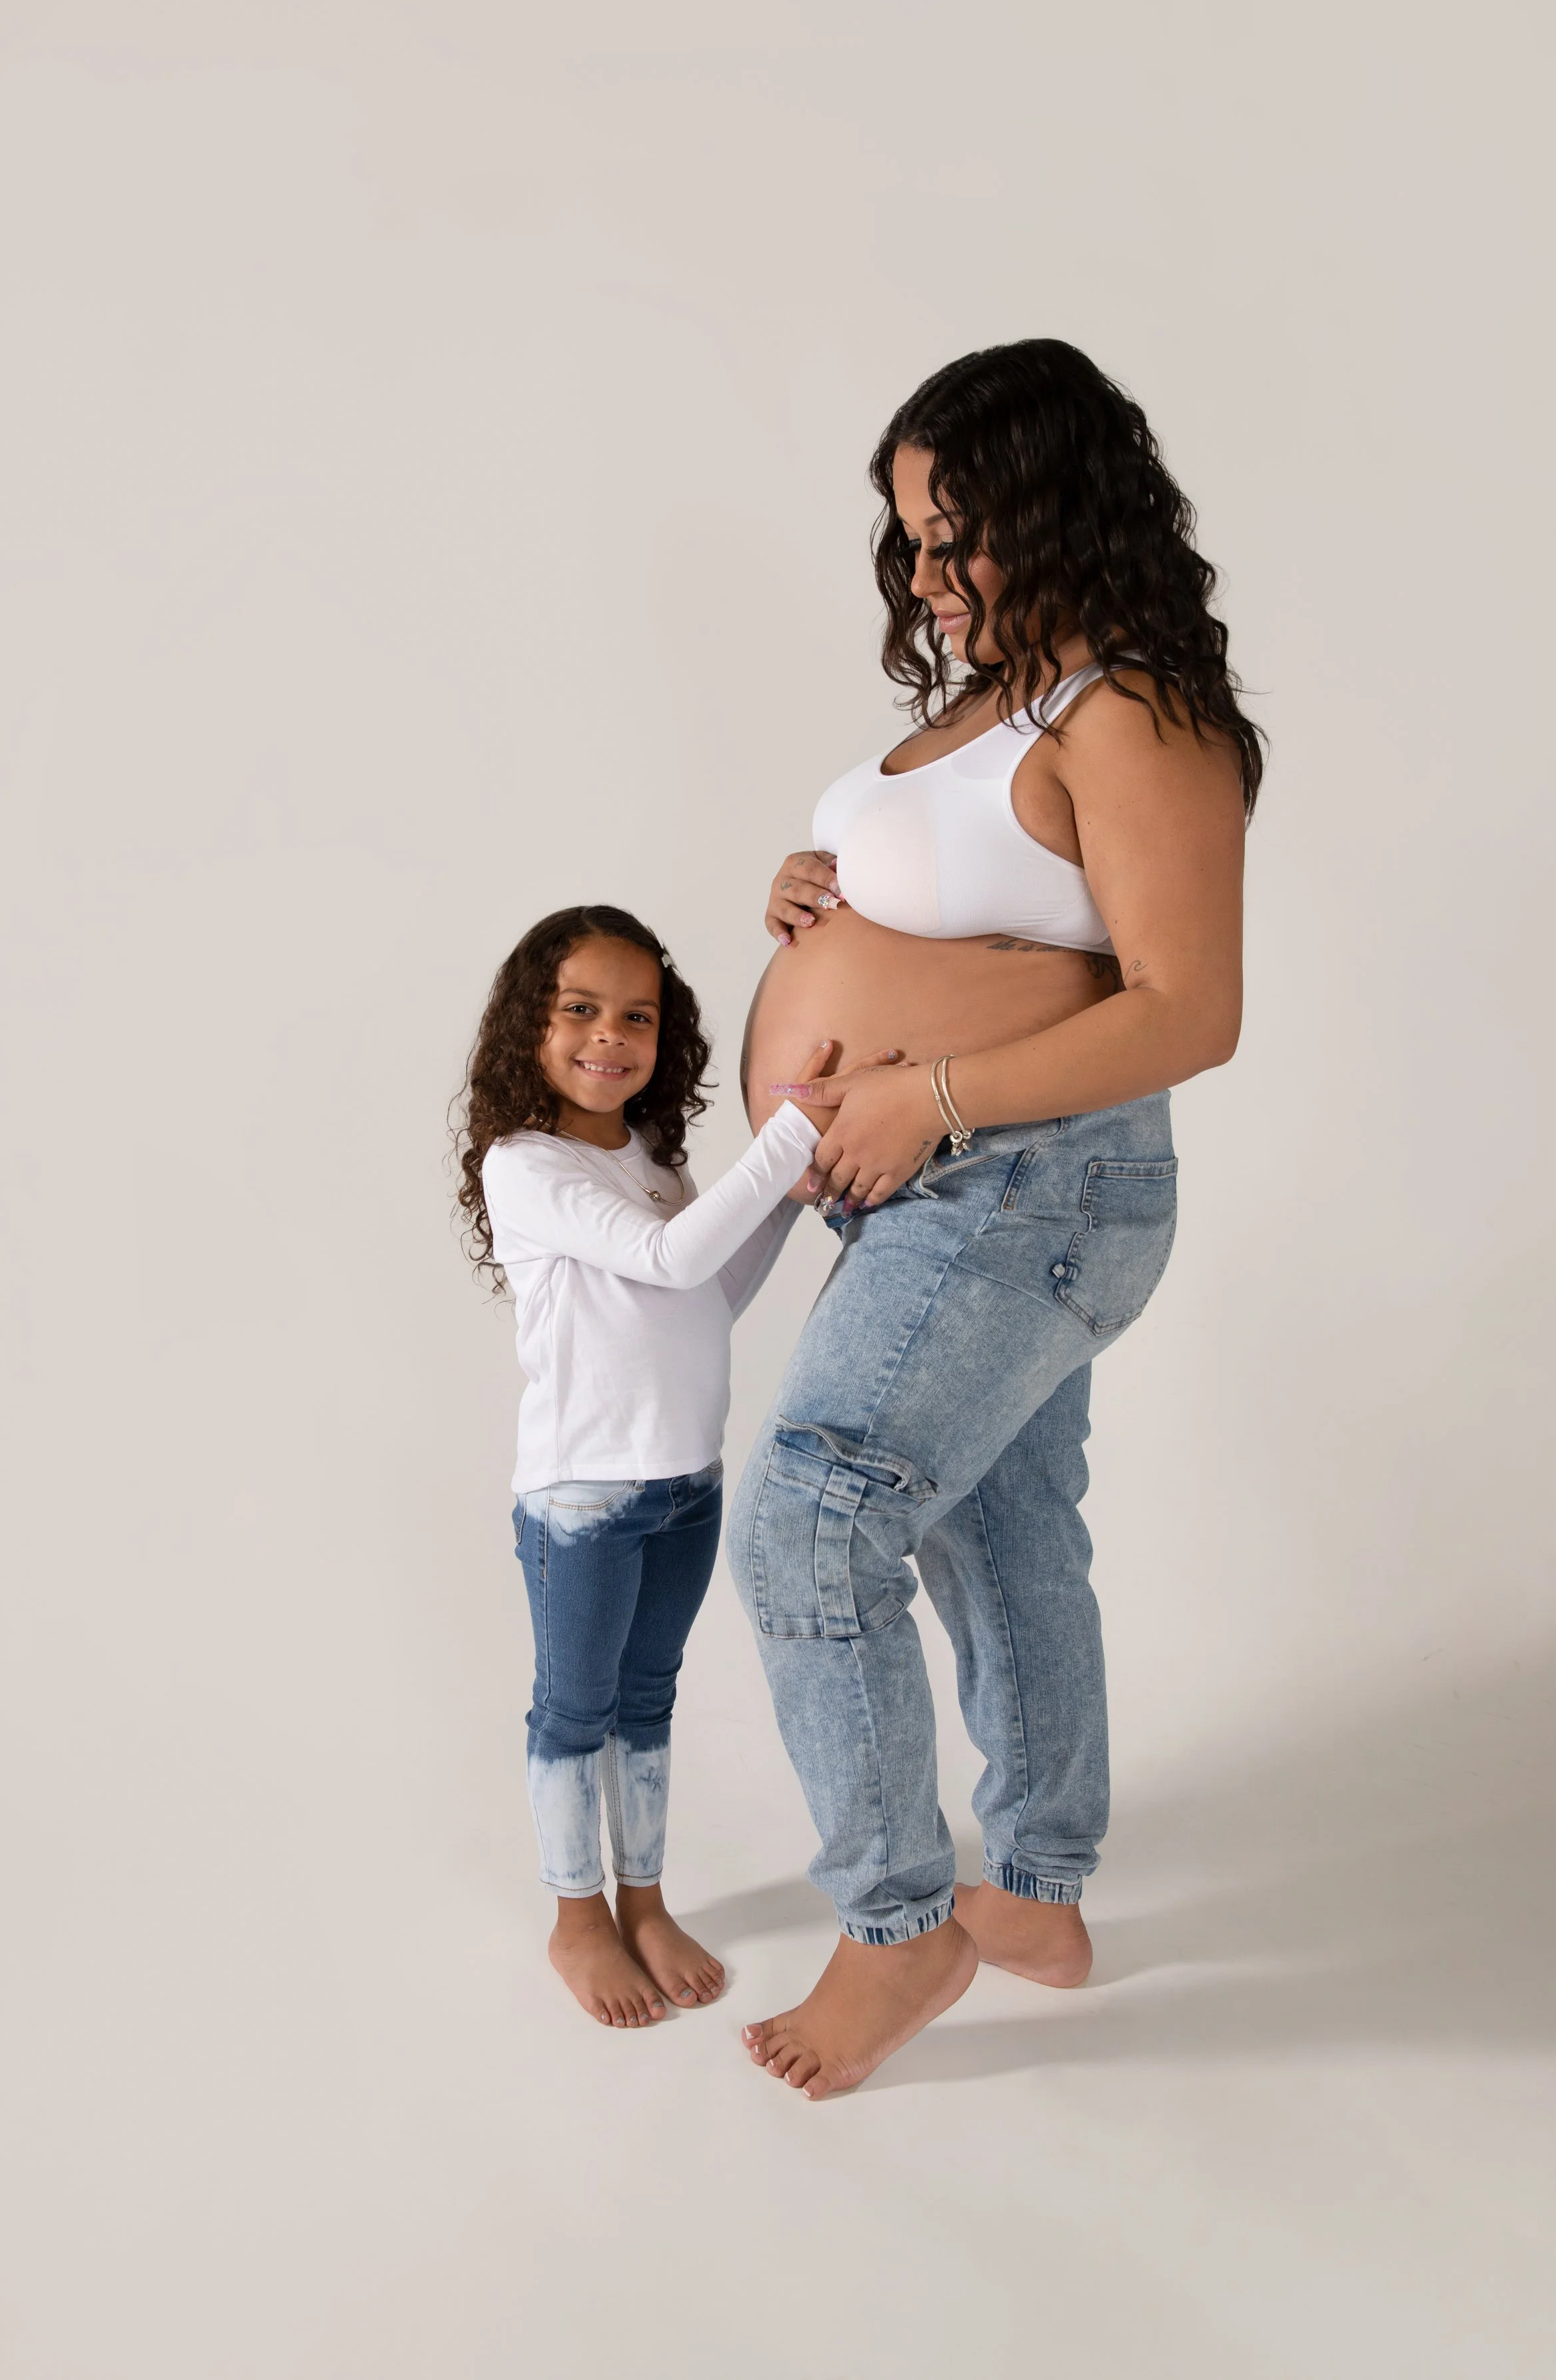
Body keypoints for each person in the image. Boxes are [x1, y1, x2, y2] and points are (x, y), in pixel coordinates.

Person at [732, 338, 1264, 2096]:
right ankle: (1032, 1891)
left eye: (960, 531)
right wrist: (820, 899)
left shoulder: (1131, 708)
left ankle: (899, 1926)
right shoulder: (993, 692)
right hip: (930, 1186)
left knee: (813, 1520)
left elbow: (1188, 1004)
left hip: (1029, 1179)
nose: (930, 573)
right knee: (997, 1523)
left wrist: (928, 1089)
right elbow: (972, 904)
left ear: (1060, 503)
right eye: (908, 540)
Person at [454, 903, 884, 2029]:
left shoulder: (648, 1158)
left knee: (648, 1700)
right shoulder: (525, 1165)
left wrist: (795, 1200)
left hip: (684, 1482)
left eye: (636, 1016)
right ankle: (576, 1914)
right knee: (575, 1705)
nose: (611, 1036)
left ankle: (644, 1898)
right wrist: (792, 1131)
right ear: (528, 1028)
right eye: (581, 1010)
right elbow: (668, 1253)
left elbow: (706, 1294)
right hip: (582, 1499)